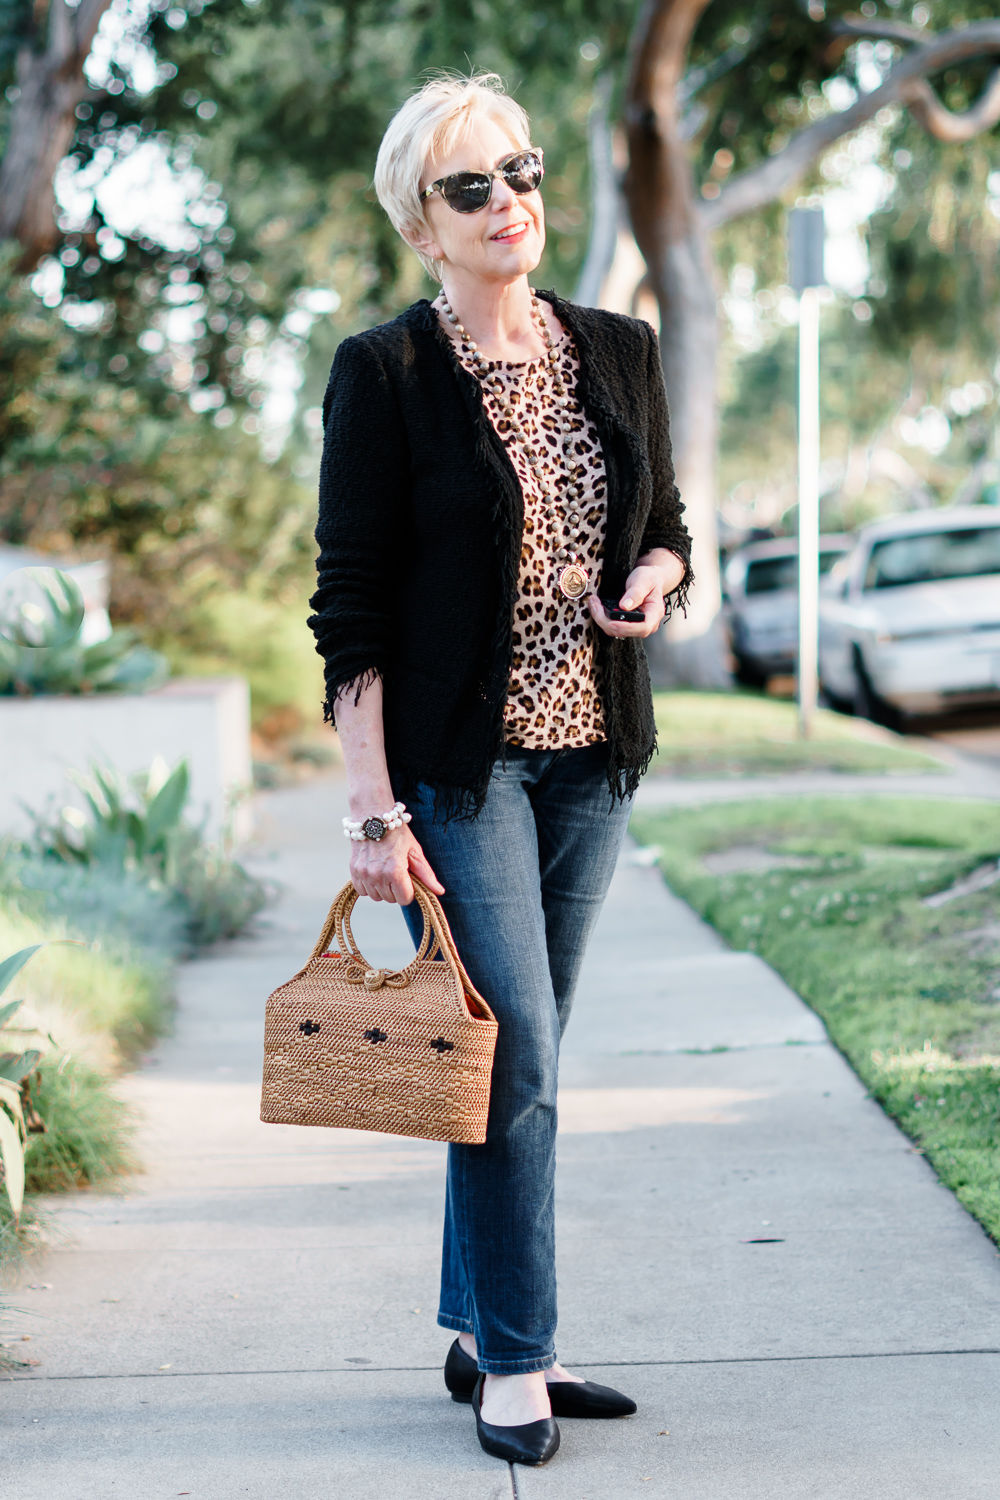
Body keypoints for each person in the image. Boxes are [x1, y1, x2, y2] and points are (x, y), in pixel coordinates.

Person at [306, 71, 693, 1468]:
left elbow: (669, 523)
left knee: (503, 1060)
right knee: (515, 1059)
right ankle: (521, 1362)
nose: (508, 203)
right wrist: (371, 809)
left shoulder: (616, 346)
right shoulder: (387, 373)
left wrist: (652, 576)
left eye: (520, 173)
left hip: (593, 760)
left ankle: (481, 1321)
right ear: (423, 220)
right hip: (463, 779)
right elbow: (349, 604)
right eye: (472, 187)